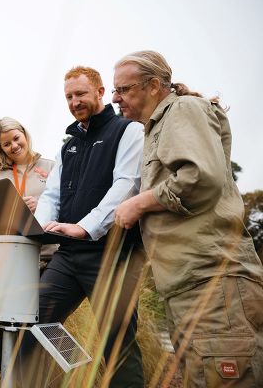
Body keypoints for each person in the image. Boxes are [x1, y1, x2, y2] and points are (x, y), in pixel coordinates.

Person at [113, 50, 263, 386]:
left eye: (123, 89)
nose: (116, 99)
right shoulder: (154, 129)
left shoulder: (182, 109)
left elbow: (201, 177)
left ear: (154, 85)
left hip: (213, 282)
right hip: (188, 287)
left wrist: (139, 204)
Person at [23, 66, 145, 387]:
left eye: (80, 94)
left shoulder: (129, 130)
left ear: (100, 92)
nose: (74, 101)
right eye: (68, 97)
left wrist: (86, 227)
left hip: (111, 254)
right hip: (68, 255)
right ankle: (79, 372)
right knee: (36, 320)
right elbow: (52, 193)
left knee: (118, 344)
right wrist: (42, 226)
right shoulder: (69, 144)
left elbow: (126, 185)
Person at [0, 117, 55, 214]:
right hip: (8, 229)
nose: (14, 146)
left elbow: (64, 203)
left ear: (24, 134)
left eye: (16, 138)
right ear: (1, 149)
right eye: (7, 144)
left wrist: (42, 206)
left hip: (45, 228)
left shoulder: (51, 167)